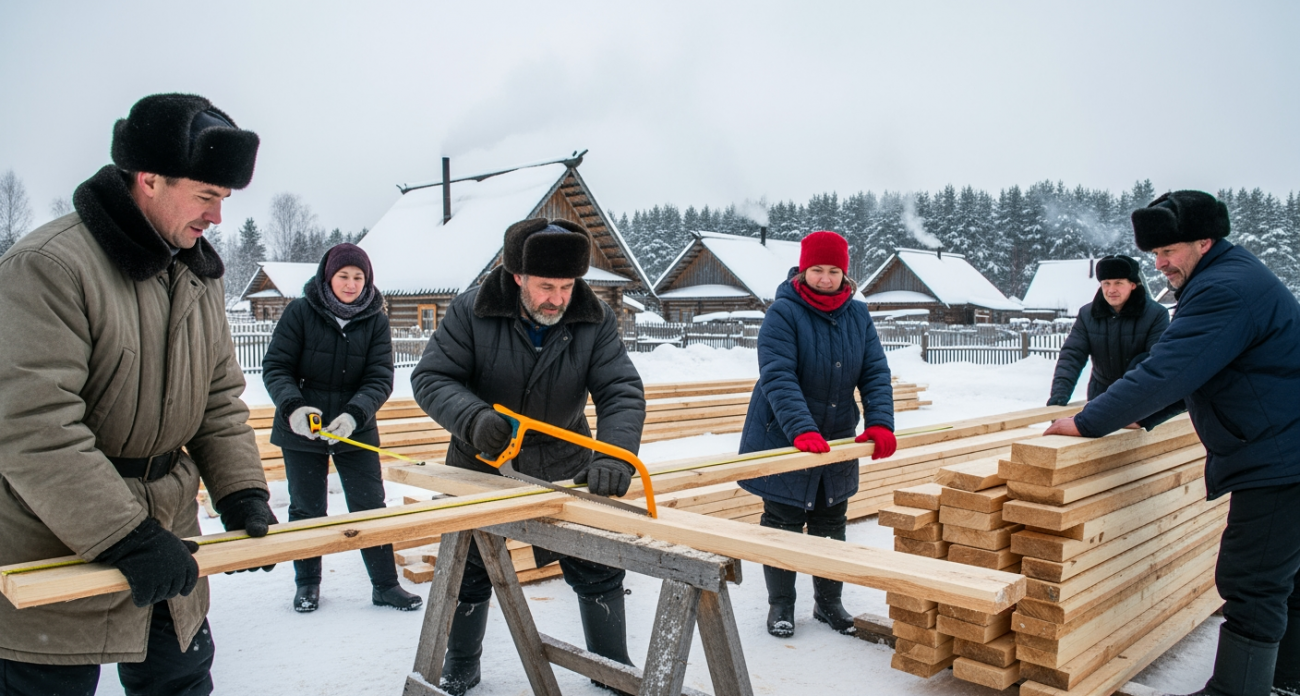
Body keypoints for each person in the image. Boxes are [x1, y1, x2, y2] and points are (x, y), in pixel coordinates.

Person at [0, 93, 277, 695]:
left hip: (167, 534)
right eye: (207, 197)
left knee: (179, 687)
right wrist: (125, 535)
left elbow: (220, 398)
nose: (217, 219)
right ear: (149, 179)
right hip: (58, 539)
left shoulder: (198, 273)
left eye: (224, 200)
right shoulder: (49, 266)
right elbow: (33, 427)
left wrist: (242, 492)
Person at [1043, 191, 1300, 696]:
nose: (1160, 264)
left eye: (1169, 252)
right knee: (1285, 579)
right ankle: (1287, 682)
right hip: (1284, 447)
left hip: (1279, 457)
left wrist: (1089, 422)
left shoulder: (1224, 289)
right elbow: (1206, 368)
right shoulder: (1234, 275)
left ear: (1204, 241)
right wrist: (1147, 416)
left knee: (1251, 583)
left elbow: (1170, 368)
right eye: (1154, 255)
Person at [411, 217, 646, 695]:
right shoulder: (471, 311)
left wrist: (616, 456)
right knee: (470, 569)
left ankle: (611, 664)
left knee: (598, 565)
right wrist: (473, 419)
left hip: (566, 461)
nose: (557, 299)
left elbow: (621, 390)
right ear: (516, 276)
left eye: (566, 285)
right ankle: (461, 662)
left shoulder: (593, 317)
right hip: (481, 461)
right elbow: (431, 378)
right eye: (545, 286)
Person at [737, 230, 896, 639]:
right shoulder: (783, 312)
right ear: (803, 270)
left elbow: (875, 372)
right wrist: (801, 428)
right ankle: (781, 606)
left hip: (838, 434)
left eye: (833, 271)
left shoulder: (858, 315)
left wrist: (880, 421)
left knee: (831, 518)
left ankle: (828, 604)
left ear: (845, 273)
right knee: (783, 520)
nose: (825, 278)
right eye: (817, 270)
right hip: (784, 435)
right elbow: (778, 375)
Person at [261, 243, 422, 613]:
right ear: (327, 277)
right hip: (303, 425)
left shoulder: (375, 318)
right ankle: (307, 584)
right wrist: (293, 408)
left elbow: (380, 376)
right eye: (343, 276)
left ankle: (385, 585)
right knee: (306, 508)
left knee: (370, 506)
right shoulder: (300, 312)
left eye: (358, 277)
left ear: (367, 281)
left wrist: (354, 414)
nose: (350, 284)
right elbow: (276, 367)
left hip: (354, 425)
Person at [1046, 254, 1171, 414]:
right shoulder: (1087, 314)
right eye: (1106, 283)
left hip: (1140, 395)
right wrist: (1059, 396)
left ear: (1133, 284)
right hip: (1099, 393)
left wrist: (1126, 394)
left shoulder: (1155, 314)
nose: (1111, 290)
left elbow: (1153, 361)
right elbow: (1072, 355)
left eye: (1118, 283)